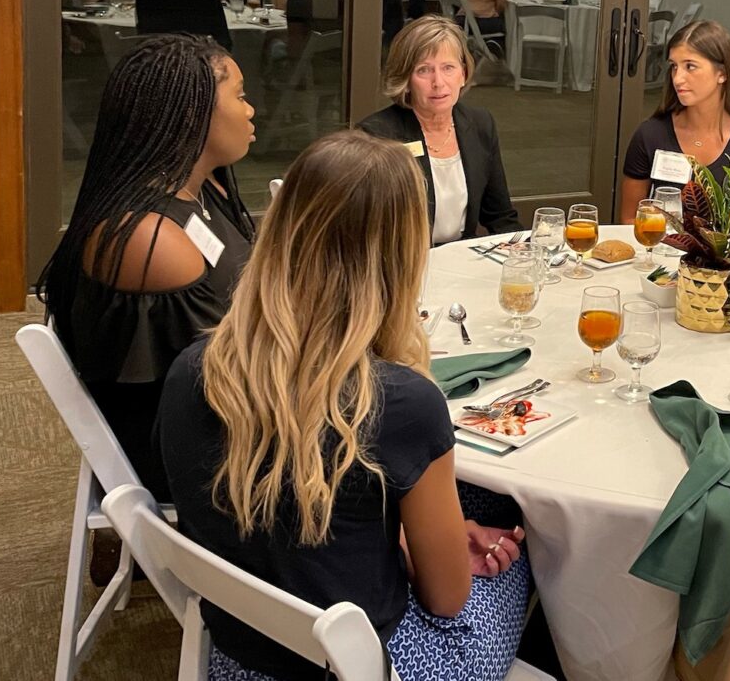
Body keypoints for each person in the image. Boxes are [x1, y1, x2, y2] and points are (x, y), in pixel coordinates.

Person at [158, 131, 530, 680]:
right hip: (361, 667)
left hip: (237, 656)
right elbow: (447, 600)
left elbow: (289, 508)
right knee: (529, 545)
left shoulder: (195, 368)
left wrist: (409, 535)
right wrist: (445, 540)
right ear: (401, 255)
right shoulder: (401, 403)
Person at [38, 34, 256, 500]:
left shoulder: (206, 188)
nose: (250, 110)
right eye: (238, 96)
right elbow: (216, 377)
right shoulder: (149, 238)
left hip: (229, 405)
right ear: (192, 117)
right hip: (192, 450)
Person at [357, 16, 521, 244]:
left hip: (461, 260)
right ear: (405, 79)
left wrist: (524, 256)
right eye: (424, 70)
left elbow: (500, 217)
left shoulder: (480, 124)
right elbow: (366, 230)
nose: (439, 82)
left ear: (463, 74)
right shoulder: (377, 135)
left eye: (448, 68)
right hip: (401, 266)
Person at [620, 20, 730, 222]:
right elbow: (629, 221)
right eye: (674, 67)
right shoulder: (649, 135)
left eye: (690, 66)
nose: (677, 78)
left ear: (722, 74)